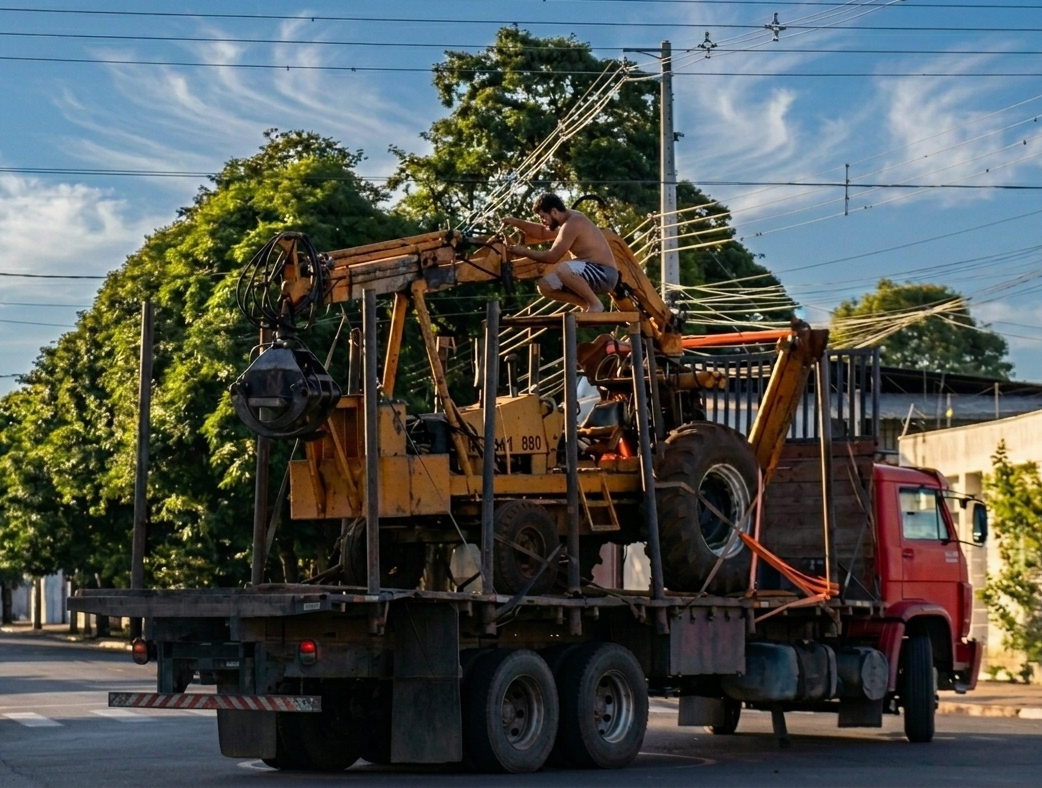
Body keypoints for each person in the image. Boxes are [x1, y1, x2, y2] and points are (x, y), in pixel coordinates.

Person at [503, 193, 619, 313]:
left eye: (543, 216)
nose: (542, 221)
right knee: (545, 285)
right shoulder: (565, 221)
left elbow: (552, 257)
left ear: (554, 212)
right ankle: (586, 304)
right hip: (590, 273)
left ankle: (595, 304)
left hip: (605, 274)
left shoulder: (574, 222)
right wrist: (515, 222)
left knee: (563, 268)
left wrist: (525, 252)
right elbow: (542, 232)